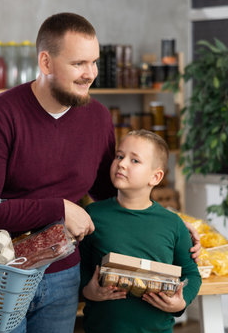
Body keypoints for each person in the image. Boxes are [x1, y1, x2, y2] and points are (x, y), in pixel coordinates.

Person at [0, 12, 200, 333]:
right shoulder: (0, 114)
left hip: (63, 279)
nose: (91, 74)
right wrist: (59, 207)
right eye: (79, 64)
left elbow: (111, 195)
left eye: (95, 62)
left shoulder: (98, 117)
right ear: (46, 63)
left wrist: (170, 223)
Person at [79, 130, 202, 333]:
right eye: (119, 156)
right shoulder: (92, 216)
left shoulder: (173, 224)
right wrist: (87, 290)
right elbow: (78, 267)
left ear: (155, 176)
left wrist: (181, 303)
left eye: (134, 160)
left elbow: (191, 274)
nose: (122, 163)